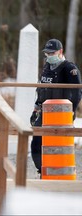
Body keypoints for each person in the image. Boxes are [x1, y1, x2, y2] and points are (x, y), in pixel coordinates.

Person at [30, 38, 82, 175]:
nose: (49, 56)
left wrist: (71, 112)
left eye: (52, 53)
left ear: (60, 51)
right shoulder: (46, 67)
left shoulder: (70, 69)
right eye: (47, 53)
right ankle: (43, 171)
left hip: (60, 115)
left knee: (57, 148)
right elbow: (41, 89)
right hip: (44, 113)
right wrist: (36, 107)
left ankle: (58, 175)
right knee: (36, 144)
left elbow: (77, 93)